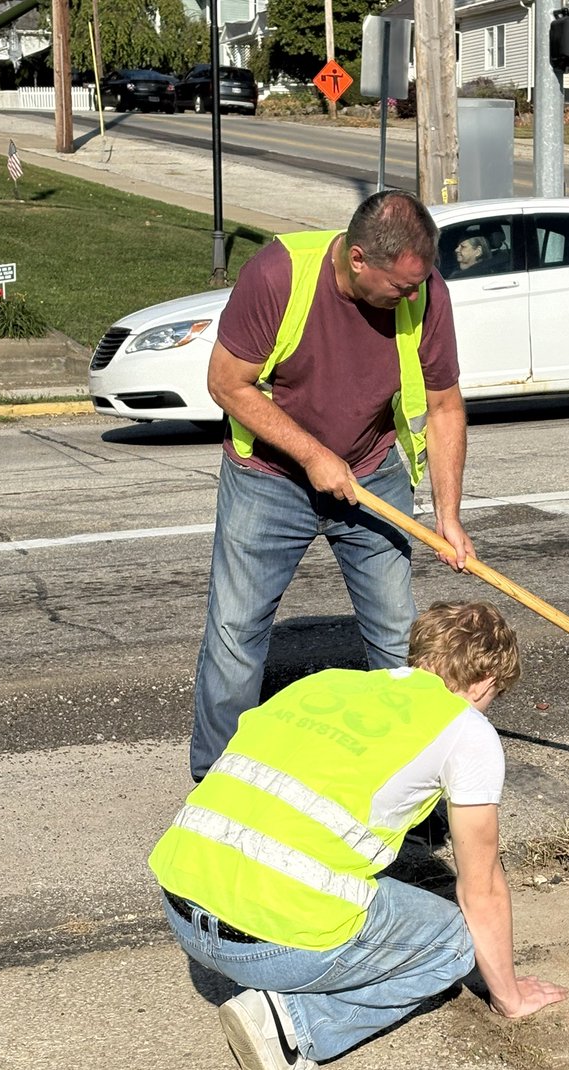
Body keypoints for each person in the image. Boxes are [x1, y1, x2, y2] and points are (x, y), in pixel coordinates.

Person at [150, 601, 568, 1070]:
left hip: (180, 908)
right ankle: (290, 1025)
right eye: (493, 695)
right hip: (267, 944)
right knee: (453, 942)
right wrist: (509, 996)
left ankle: (276, 981)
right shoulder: (466, 730)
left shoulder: (326, 684)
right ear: (484, 682)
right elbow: (482, 889)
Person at [190, 189, 474, 783]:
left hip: (372, 470)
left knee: (399, 635)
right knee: (235, 635)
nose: (414, 296)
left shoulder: (425, 293)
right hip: (268, 479)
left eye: (421, 283)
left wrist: (448, 514)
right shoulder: (278, 275)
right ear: (359, 258)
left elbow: (445, 407)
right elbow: (226, 383)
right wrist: (313, 454)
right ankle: (217, 787)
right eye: (401, 286)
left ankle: (411, 790)